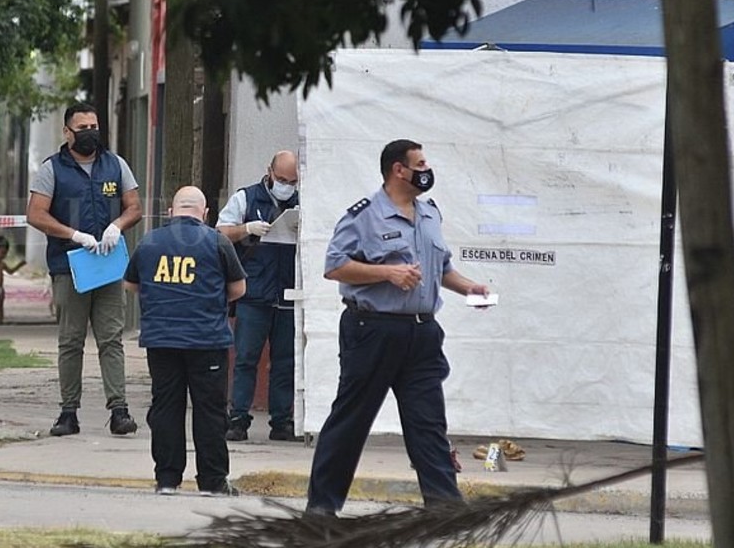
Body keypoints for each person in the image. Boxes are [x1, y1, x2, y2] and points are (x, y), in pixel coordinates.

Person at [306, 139, 489, 516]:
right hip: (372, 329)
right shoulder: (364, 215)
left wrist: (470, 287)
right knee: (351, 420)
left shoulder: (430, 214)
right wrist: (386, 273)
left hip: (421, 334)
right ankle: (322, 508)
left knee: (428, 424)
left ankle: (444, 509)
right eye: (420, 164)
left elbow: (442, 268)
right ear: (398, 170)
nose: (427, 170)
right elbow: (334, 265)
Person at [27, 102, 144, 436]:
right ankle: (68, 412)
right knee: (71, 340)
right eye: (83, 128)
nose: (90, 133)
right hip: (70, 265)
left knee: (111, 338)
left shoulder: (115, 165)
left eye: (94, 126)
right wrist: (73, 234)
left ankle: (119, 410)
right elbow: (36, 214)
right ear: (68, 132)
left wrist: (117, 226)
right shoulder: (53, 169)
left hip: (107, 264)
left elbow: (134, 206)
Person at [124, 187, 247, 496]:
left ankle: (167, 479)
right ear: (205, 214)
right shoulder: (217, 241)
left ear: (170, 212)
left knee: (166, 408)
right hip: (207, 340)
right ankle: (212, 481)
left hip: (161, 340)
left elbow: (130, 284)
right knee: (210, 411)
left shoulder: (149, 241)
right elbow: (239, 289)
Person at [216, 150, 301, 441]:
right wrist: (246, 229)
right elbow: (220, 233)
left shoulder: (303, 202)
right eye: (281, 179)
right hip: (254, 292)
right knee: (245, 359)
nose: (286, 185)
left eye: (292, 181)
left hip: (287, 292)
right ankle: (238, 418)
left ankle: (282, 422)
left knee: (286, 361)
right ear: (269, 171)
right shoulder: (246, 198)